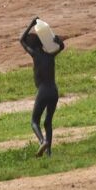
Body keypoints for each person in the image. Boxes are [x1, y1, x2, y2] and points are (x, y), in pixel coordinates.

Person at [20, 17, 64, 156]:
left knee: (34, 121)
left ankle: (42, 141)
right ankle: (49, 152)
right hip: (54, 91)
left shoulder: (35, 55)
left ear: (32, 46)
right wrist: (58, 42)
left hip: (43, 91)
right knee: (48, 122)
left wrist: (31, 24)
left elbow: (21, 40)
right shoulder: (50, 55)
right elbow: (62, 47)